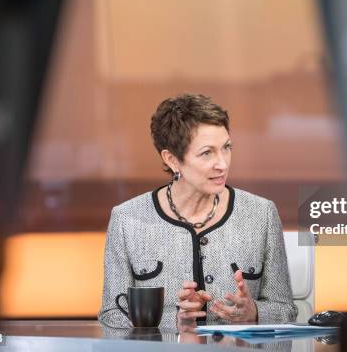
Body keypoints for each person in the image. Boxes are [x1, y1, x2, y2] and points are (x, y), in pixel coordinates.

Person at [98, 94, 297, 328]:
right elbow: (111, 314)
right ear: (172, 159)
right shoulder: (127, 220)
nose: (222, 163)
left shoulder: (261, 214)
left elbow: (286, 310)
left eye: (226, 148)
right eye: (207, 153)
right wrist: (174, 320)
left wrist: (254, 312)